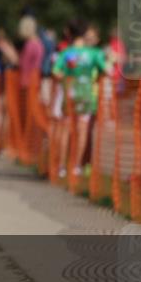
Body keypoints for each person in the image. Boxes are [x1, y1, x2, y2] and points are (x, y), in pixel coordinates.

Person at [52, 19, 108, 178]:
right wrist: (96, 79)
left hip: (70, 93)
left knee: (66, 129)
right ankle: (77, 166)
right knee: (83, 130)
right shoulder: (94, 53)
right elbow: (106, 69)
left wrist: (67, 78)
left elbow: (56, 72)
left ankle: (62, 167)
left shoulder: (66, 53)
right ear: (84, 34)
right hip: (86, 94)